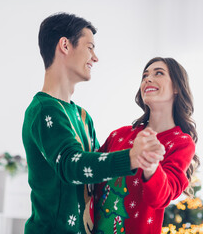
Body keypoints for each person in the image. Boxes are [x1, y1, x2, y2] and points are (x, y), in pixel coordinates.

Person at [22, 13, 165, 234]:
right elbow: (73, 165)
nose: (95, 58)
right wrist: (131, 157)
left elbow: (96, 176)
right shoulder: (44, 110)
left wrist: (156, 170)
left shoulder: (83, 117)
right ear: (65, 45)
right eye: (90, 47)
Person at [94, 57, 199, 234]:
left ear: (176, 87)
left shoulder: (181, 143)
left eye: (158, 73)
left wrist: (151, 167)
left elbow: (162, 197)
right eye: (145, 75)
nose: (147, 79)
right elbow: (90, 173)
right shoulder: (119, 134)